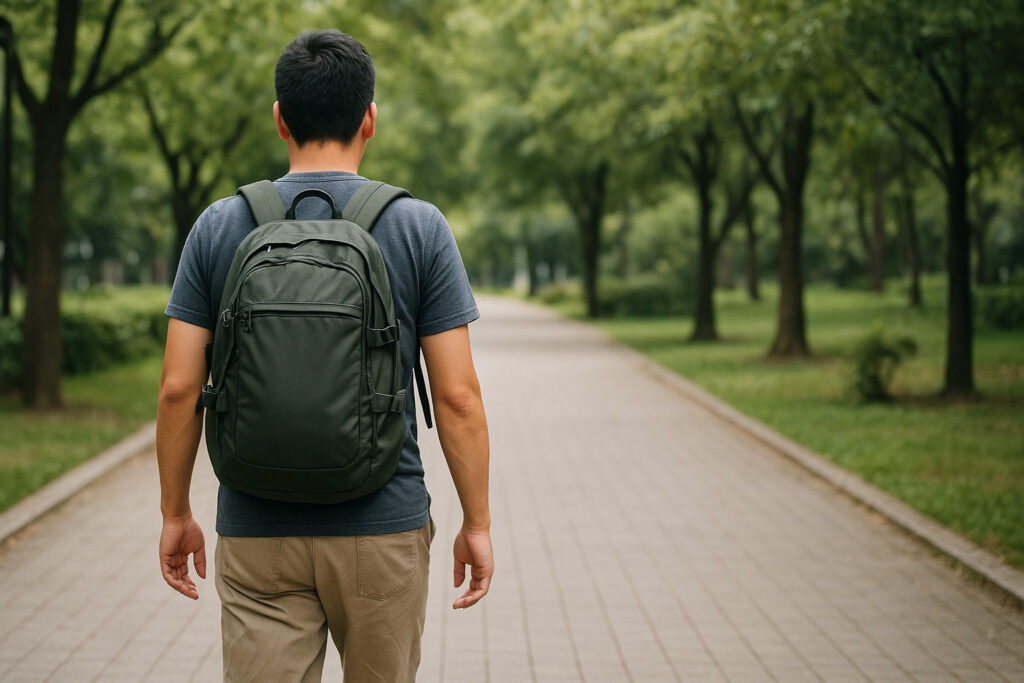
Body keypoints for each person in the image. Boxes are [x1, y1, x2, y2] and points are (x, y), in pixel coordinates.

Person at [155, 29, 493, 682]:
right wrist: (475, 522)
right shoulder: (419, 226)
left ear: (280, 118)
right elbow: (458, 397)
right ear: (370, 117)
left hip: (257, 528)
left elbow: (177, 388)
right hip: (383, 526)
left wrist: (175, 513)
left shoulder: (220, 225)